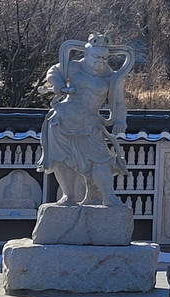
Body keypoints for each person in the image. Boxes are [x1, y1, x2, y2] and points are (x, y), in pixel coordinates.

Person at [37, 33, 134, 206]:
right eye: (96, 57)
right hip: (62, 119)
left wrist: (120, 120)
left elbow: (119, 103)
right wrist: (59, 85)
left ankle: (107, 196)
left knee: (100, 159)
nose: (100, 61)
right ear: (86, 54)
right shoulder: (73, 67)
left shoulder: (112, 78)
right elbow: (53, 71)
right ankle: (69, 196)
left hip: (90, 122)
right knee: (62, 159)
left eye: (104, 58)